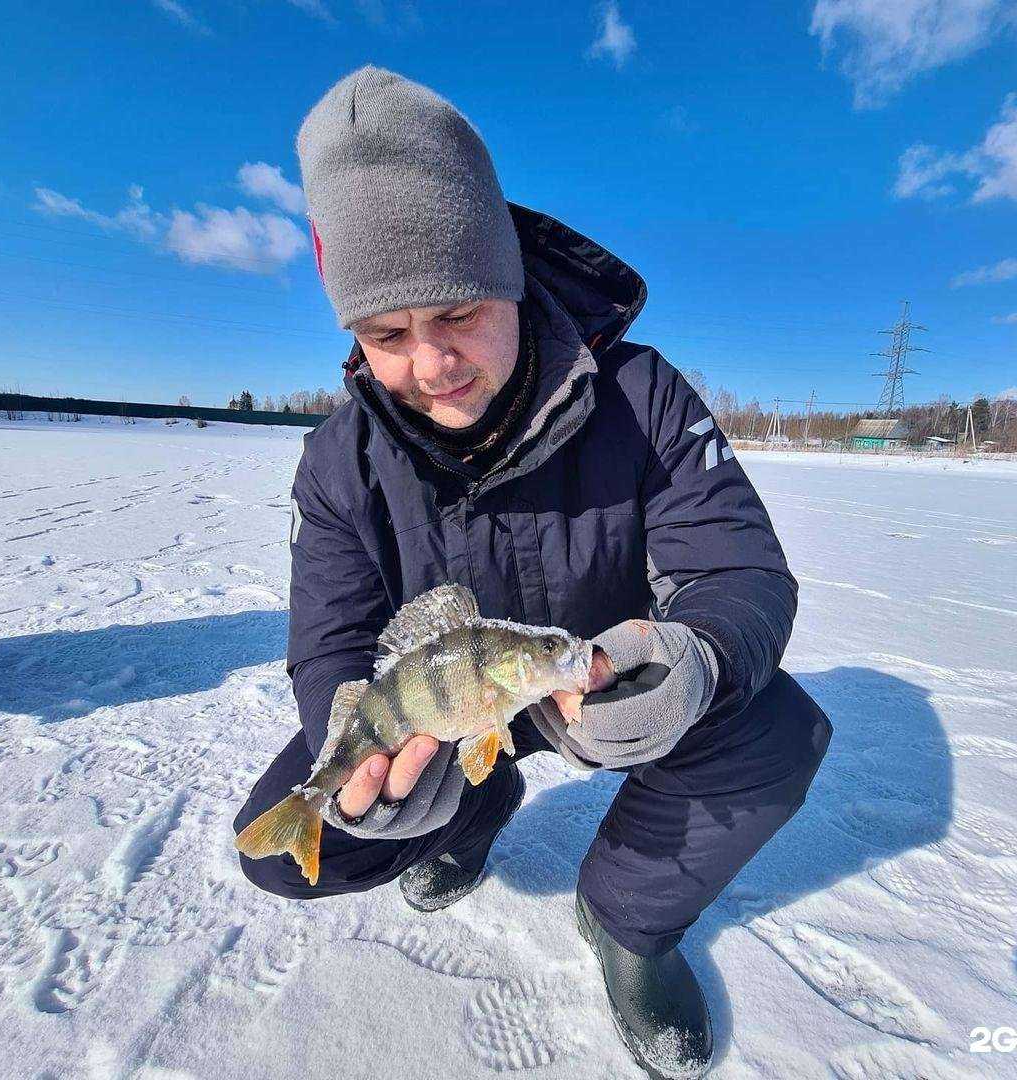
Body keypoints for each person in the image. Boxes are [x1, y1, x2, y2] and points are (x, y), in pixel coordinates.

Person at [235, 65, 832, 1080]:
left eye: (457, 312)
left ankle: (628, 921)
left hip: (598, 675)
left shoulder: (642, 395)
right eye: (387, 335)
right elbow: (329, 646)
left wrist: (693, 658)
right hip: (453, 708)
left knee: (778, 732)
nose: (431, 364)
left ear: (508, 275)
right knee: (315, 836)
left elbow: (739, 567)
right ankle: (469, 811)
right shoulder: (338, 461)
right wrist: (376, 778)